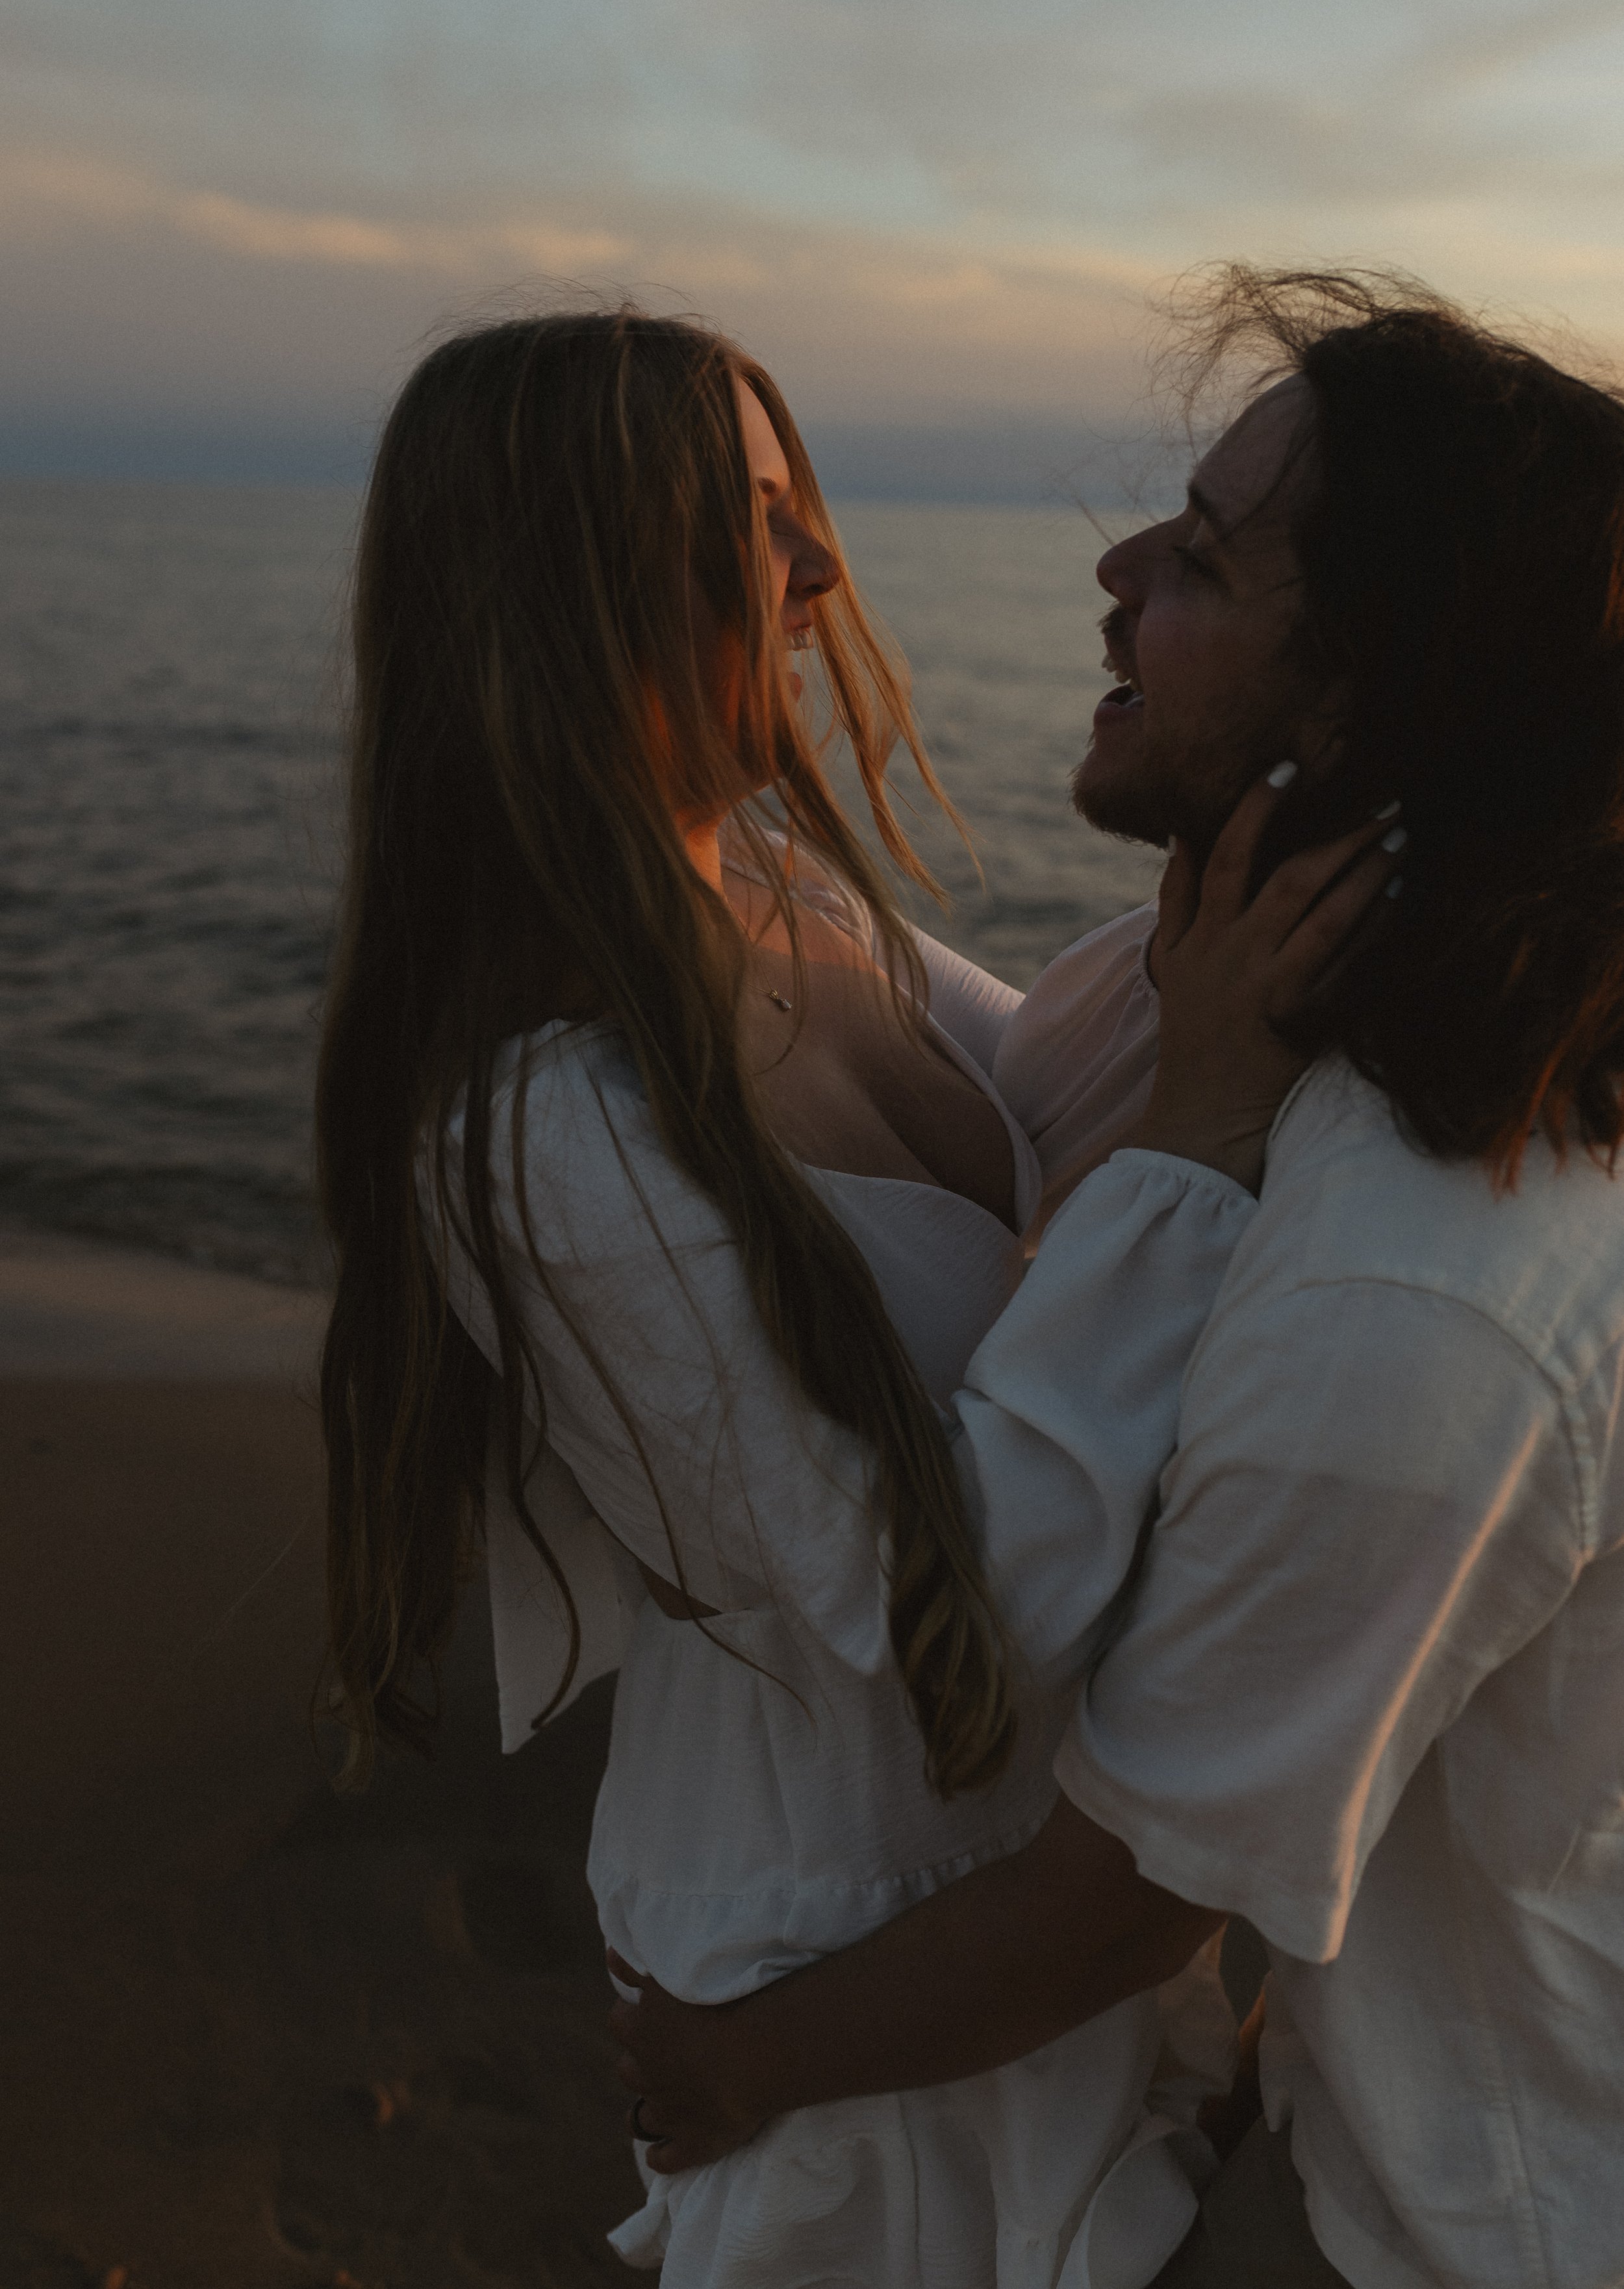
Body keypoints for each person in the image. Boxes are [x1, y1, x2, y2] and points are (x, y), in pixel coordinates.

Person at [313, 304, 1393, 2289]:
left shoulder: (783, 901)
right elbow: (929, 1618)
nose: (819, 568)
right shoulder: (551, 1123)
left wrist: (1311, 832)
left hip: (1009, 1915)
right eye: (749, 519)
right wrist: (1209, 1110)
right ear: (572, 581)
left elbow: (1097, 1083)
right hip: (834, 1971)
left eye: (800, 506)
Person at [611, 271, 1624, 2289]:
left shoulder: (1415, 1283)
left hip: (1470, 2215)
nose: (1110, 570)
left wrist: (727, 2071)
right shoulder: (1226, 1005)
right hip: (1332, 2090)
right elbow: (968, 1072)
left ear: (1360, 694)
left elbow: (1124, 1892)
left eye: (1200, 559)